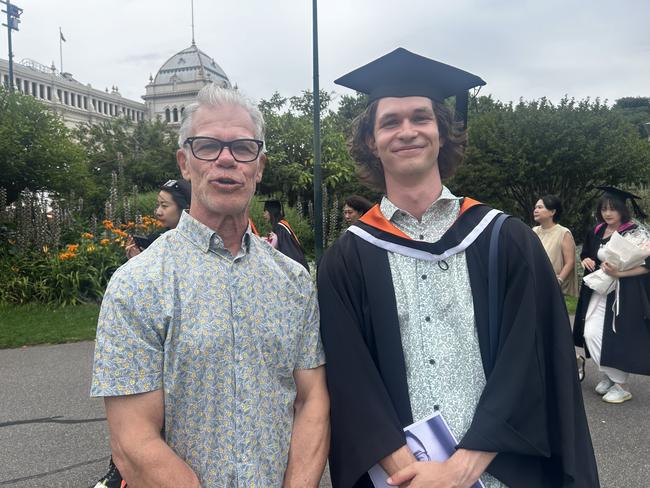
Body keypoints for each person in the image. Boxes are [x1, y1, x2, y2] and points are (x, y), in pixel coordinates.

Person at [318, 47, 598, 488]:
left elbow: (531, 360)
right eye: (390, 121)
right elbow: (351, 382)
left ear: (442, 132)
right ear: (371, 141)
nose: (407, 131)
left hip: (500, 473)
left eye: (420, 117)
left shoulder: (504, 240)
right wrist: (410, 474)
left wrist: (460, 470)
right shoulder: (348, 259)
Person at [91, 84, 329, 487]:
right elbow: (133, 439)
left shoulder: (293, 282)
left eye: (242, 147)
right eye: (207, 147)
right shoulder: (138, 283)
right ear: (185, 163)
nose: (225, 160)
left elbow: (312, 401)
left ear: (259, 166)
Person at [573, 186, 650, 404]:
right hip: (597, 290)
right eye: (604, 209)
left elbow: (646, 266)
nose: (608, 213)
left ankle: (622, 386)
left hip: (623, 294)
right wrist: (585, 260)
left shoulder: (634, 232)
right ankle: (609, 374)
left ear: (622, 211)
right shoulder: (596, 231)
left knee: (615, 336)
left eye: (612, 209)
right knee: (589, 333)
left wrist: (619, 273)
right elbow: (587, 253)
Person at [124, 179, 192, 260]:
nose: (158, 212)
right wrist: (135, 260)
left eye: (164, 205)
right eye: (158, 205)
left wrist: (143, 261)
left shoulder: (197, 243)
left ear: (185, 207)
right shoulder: (156, 239)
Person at [532, 195, 578, 297]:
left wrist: (559, 280)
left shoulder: (563, 232)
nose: (535, 210)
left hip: (553, 286)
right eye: (535, 207)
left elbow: (570, 262)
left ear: (552, 212)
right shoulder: (534, 231)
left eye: (540, 207)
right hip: (535, 283)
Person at [263, 199, 309, 270]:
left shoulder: (280, 228)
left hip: (296, 268)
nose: (264, 215)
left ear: (271, 211)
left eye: (265, 211)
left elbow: (287, 252)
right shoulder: (281, 225)